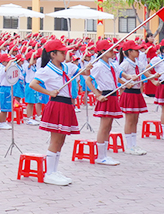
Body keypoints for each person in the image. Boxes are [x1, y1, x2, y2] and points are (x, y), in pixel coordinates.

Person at [30, 38, 93, 186]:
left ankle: (54, 170)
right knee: (56, 139)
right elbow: (33, 84)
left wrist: (88, 67)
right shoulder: (46, 70)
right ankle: (49, 173)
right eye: (62, 52)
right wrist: (48, 92)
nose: (65, 53)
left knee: (62, 140)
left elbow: (84, 73)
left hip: (67, 105)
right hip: (57, 104)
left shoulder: (68, 67)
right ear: (52, 54)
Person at [85, 39, 122, 166]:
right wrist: (97, 95)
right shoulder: (98, 65)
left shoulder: (111, 64)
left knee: (109, 126)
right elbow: (88, 81)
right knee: (104, 126)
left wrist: (127, 81)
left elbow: (116, 78)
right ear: (102, 51)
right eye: (110, 50)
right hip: (106, 95)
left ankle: (104, 154)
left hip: (113, 95)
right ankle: (101, 156)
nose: (113, 53)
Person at [118, 41, 149, 156]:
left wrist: (154, 78)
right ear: (129, 52)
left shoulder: (138, 63)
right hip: (129, 93)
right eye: (135, 50)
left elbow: (145, 72)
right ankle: (129, 146)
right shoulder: (125, 64)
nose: (138, 52)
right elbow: (117, 76)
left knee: (135, 120)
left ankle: (134, 144)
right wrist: (126, 83)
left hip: (137, 93)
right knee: (130, 120)